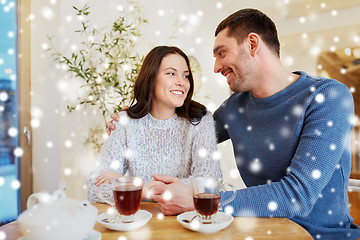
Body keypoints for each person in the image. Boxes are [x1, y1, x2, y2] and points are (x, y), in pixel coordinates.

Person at [106, 9, 360, 240]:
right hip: (258, 231)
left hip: (320, 236)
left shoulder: (327, 97)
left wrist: (200, 201)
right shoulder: (235, 106)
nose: (216, 67)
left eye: (221, 53)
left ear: (252, 44)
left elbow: (298, 197)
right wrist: (137, 121)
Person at [87, 46, 222, 207]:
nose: (181, 82)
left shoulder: (200, 121)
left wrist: (129, 185)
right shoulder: (124, 122)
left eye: (186, 76)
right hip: (140, 222)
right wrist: (141, 189)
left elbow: (210, 183)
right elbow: (94, 189)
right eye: (171, 73)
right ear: (151, 77)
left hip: (187, 220)